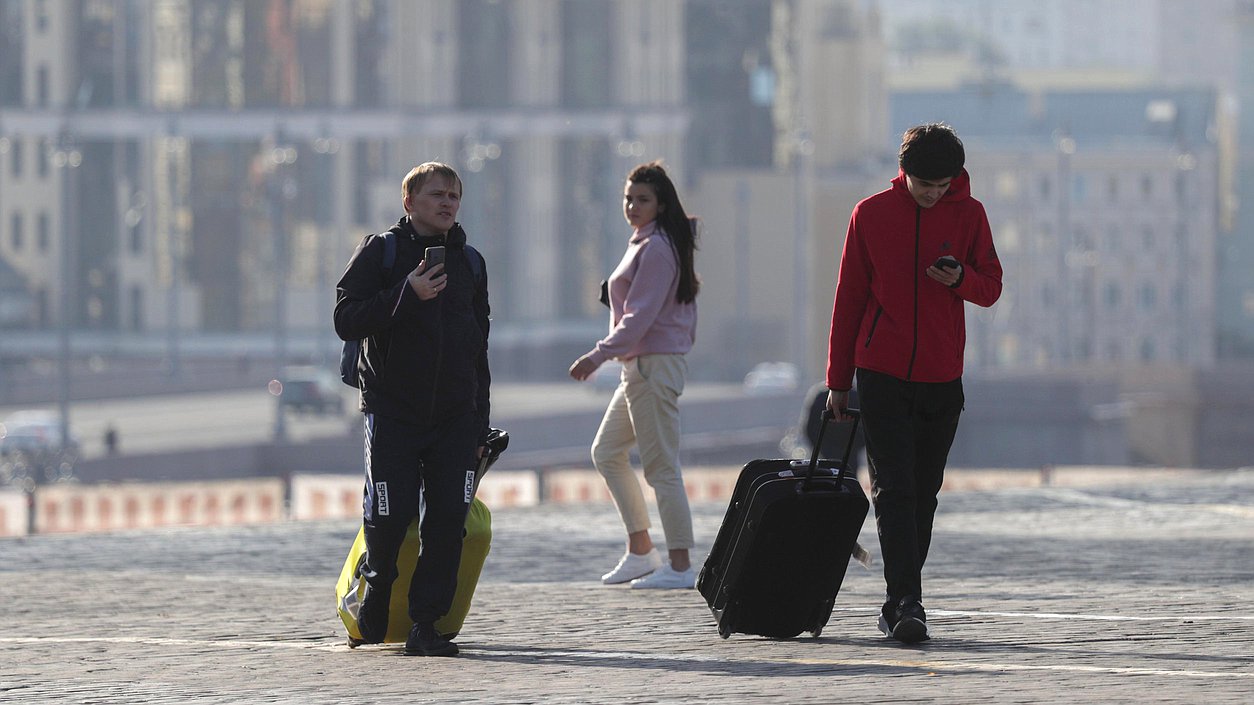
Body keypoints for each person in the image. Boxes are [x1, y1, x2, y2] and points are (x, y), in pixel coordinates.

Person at [825, 124, 1002, 643]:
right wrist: (838, 380)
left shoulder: (971, 215)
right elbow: (848, 300)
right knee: (894, 488)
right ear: (904, 173)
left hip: (942, 377)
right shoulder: (870, 214)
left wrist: (960, 280)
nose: (933, 194)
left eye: (943, 185)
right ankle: (905, 601)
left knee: (924, 493)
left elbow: (991, 287)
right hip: (880, 374)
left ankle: (901, 598)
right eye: (924, 184)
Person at [334, 162, 491, 657]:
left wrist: (480, 422)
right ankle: (377, 592)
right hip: (393, 411)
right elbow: (345, 318)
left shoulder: (471, 262)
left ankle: (426, 625)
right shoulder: (381, 251)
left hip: (454, 417)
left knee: (448, 523)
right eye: (437, 194)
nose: (447, 203)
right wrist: (408, 293)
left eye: (454, 196)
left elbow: (478, 347)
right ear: (409, 202)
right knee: (389, 515)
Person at [569, 160, 700, 590]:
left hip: (653, 364)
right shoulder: (645, 241)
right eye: (628, 198)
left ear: (661, 204)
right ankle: (641, 550)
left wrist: (597, 356)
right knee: (606, 452)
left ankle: (679, 565)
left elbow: (640, 317)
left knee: (662, 467)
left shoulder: (658, 246)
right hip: (641, 365)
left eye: (642, 199)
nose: (632, 205)